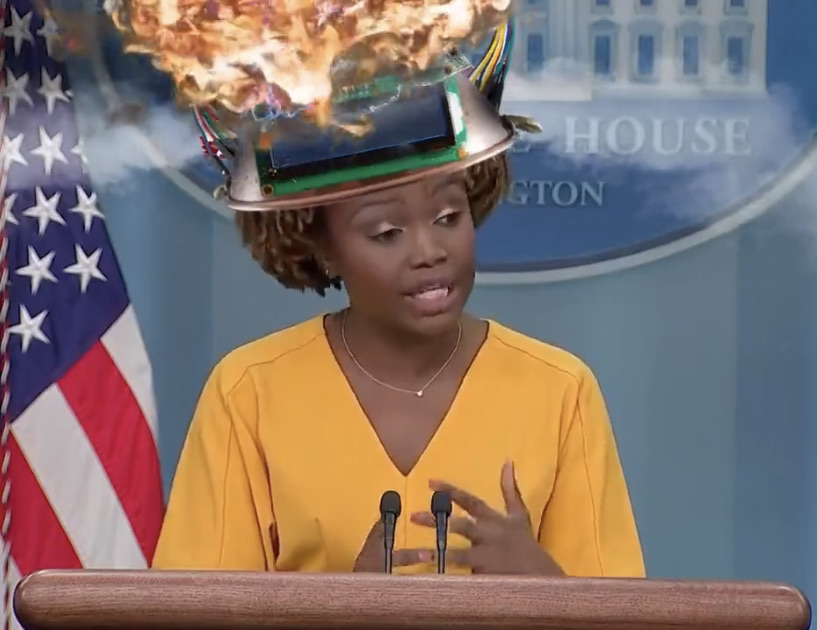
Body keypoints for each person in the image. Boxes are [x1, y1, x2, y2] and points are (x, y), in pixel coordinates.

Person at [151, 23, 645, 577]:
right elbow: (197, 609)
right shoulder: (248, 394)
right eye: (386, 232)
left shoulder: (561, 391)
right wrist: (340, 610)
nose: (429, 251)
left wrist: (541, 584)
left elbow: (618, 606)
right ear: (323, 247)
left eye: (448, 217)